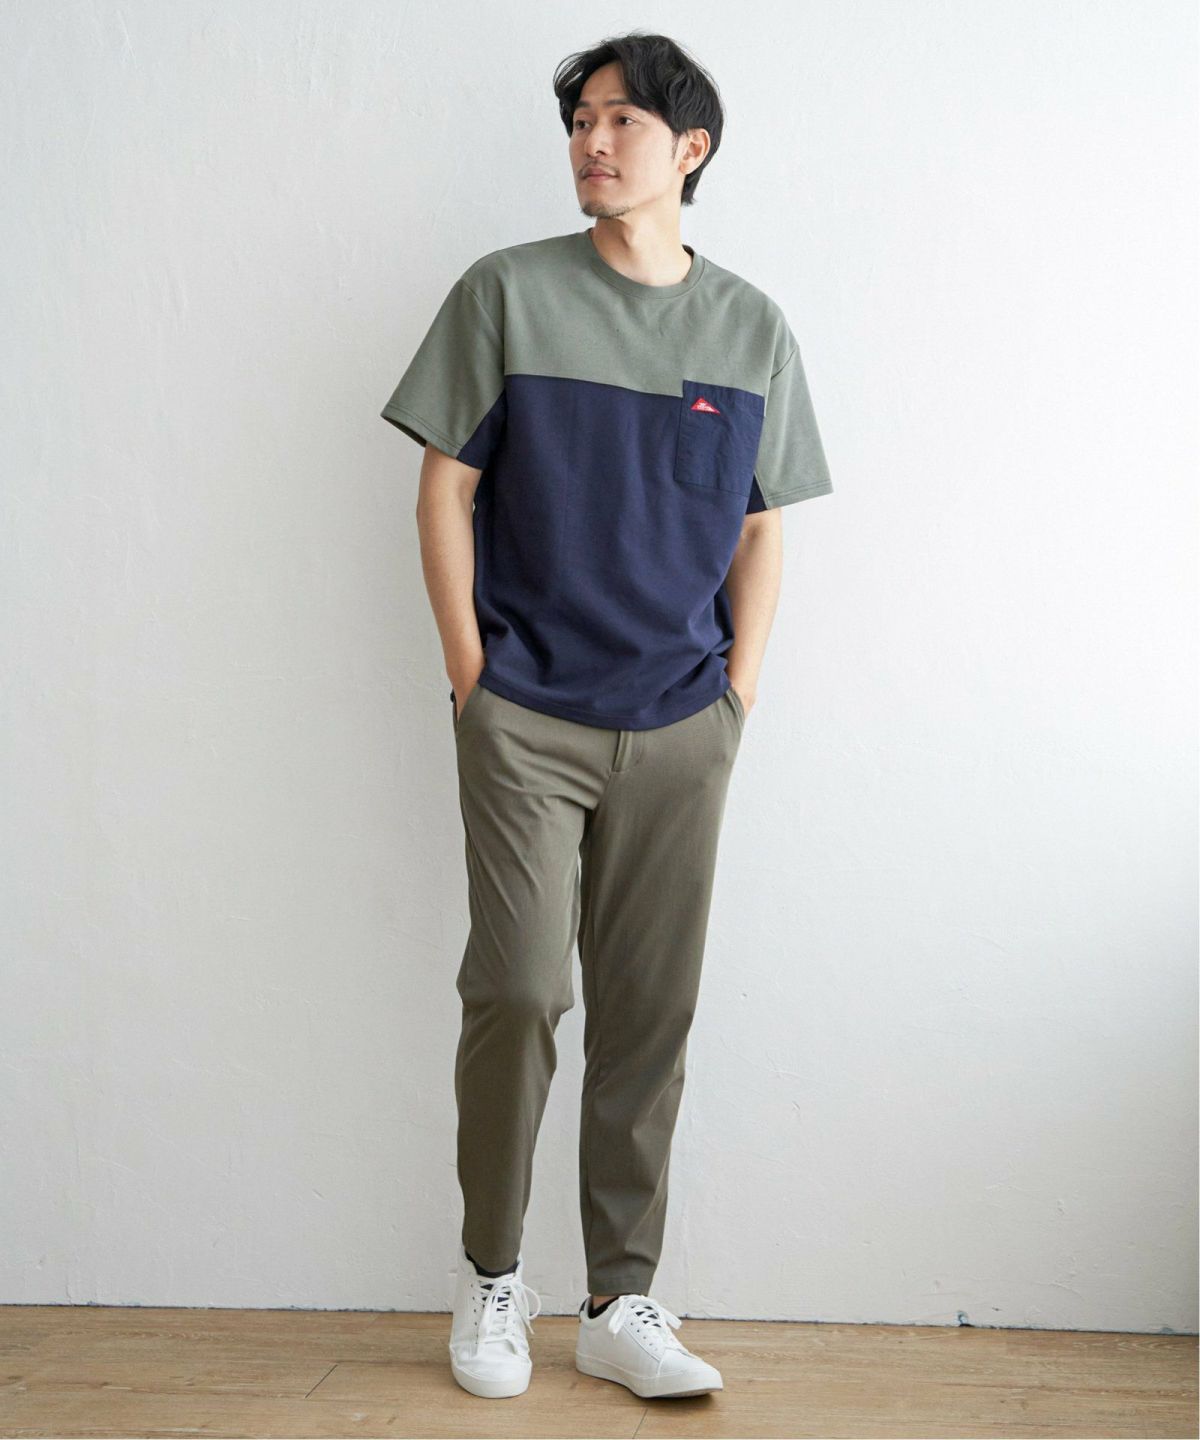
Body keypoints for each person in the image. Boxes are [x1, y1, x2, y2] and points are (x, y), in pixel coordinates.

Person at [378, 31, 833, 1402]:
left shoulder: (751, 328)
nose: (591, 140)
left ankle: (621, 1299)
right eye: (580, 118)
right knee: (519, 990)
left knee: (650, 1013)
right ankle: (490, 1278)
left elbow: (760, 524)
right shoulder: (506, 294)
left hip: (683, 722)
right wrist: (471, 678)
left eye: (622, 119)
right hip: (525, 712)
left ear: (691, 148)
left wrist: (737, 694)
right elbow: (445, 488)